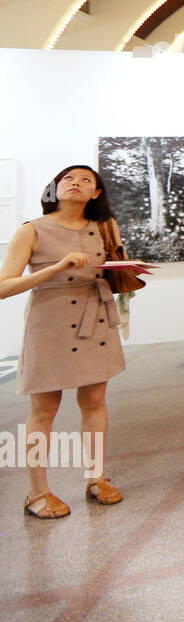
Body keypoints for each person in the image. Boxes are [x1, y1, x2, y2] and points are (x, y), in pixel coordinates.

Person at [0, 165, 138, 518]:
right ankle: (36, 492)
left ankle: (97, 478)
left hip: (96, 317)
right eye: (67, 178)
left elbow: (116, 265)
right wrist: (54, 268)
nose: (75, 182)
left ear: (96, 193)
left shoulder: (105, 226)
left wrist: (127, 270)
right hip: (50, 322)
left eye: (85, 180)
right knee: (43, 411)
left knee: (95, 402)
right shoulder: (32, 229)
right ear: (54, 188)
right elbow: (3, 287)